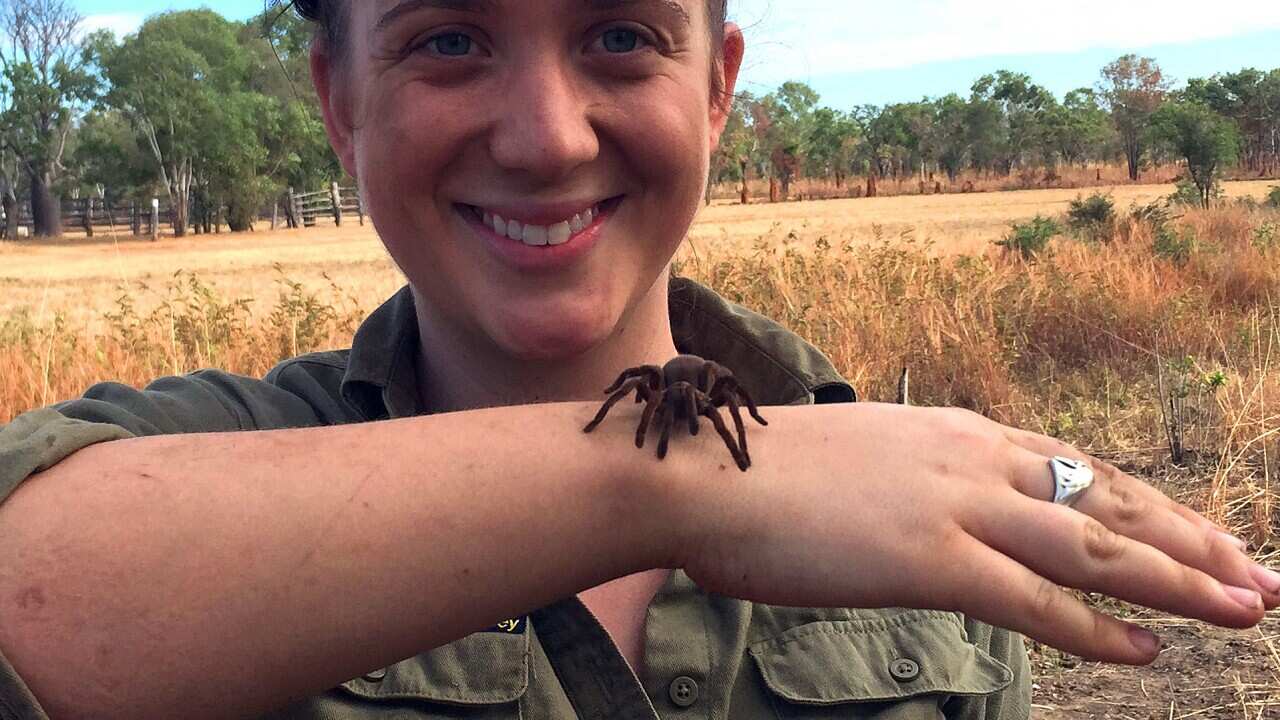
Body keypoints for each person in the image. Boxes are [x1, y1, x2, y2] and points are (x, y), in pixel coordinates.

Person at [0, 1, 1274, 718]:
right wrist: (661, 486)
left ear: (717, 88)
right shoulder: (226, 450)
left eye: (618, 32)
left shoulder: (913, 500)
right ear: (337, 100)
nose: (548, 140)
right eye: (448, 36)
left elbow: (692, 404)